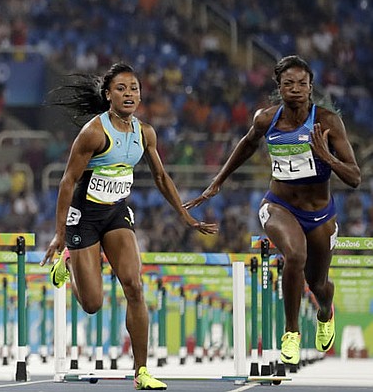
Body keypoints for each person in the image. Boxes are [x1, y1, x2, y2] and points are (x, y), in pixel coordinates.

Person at [40, 62, 218, 390]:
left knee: (135, 286)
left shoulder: (145, 133)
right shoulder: (94, 132)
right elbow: (68, 181)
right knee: (92, 304)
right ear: (108, 95)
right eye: (121, 89)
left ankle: (141, 371)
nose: (129, 94)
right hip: (85, 216)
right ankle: (67, 263)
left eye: (134, 88)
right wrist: (59, 234)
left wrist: (185, 215)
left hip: (117, 214)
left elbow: (162, 177)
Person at [184, 55, 361, 367]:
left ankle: (324, 312)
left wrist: (326, 156)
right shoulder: (266, 119)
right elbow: (246, 144)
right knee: (294, 255)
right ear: (279, 87)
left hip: (320, 212)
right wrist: (218, 181)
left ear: (311, 88)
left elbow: (355, 177)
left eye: (301, 84)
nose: (295, 88)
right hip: (279, 205)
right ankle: (290, 333)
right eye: (288, 83)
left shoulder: (328, 122)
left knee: (319, 284)